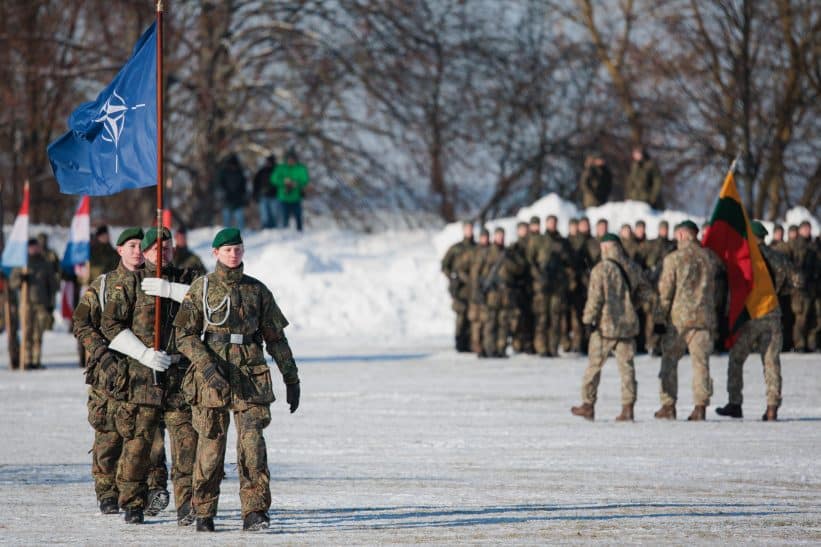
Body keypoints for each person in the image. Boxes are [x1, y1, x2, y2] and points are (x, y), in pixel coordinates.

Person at [174, 228, 300, 532]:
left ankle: (255, 511)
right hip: (212, 376)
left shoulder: (257, 290)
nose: (234, 254)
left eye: (238, 248)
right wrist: (205, 367)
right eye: (227, 249)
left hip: (250, 374)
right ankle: (203, 510)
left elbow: (276, 338)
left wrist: (291, 376)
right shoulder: (201, 289)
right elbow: (184, 335)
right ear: (215, 253)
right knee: (210, 448)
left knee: (252, 445)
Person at [101, 227, 198, 524]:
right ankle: (132, 501)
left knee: (186, 443)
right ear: (144, 252)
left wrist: (172, 291)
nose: (163, 251)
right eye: (156, 248)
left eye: (166, 246)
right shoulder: (130, 282)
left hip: (179, 376)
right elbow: (110, 325)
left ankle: (186, 503)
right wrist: (143, 353)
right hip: (142, 377)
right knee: (139, 444)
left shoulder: (186, 278)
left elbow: (210, 300)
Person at [73, 227, 144, 515]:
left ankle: (138, 490)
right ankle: (106, 491)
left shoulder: (154, 283)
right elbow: (81, 322)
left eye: (141, 245)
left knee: (140, 434)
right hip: (108, 371)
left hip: (142, 371)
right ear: (120, 250)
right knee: (108, 433)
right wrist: (100, 353)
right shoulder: (102, 285)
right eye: (131, 245)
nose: (137, 251)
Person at [715, 221, 803, 421]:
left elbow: (735, 288)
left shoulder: (744, 259)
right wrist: (779, 292)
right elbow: (799, 280)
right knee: (771, 362)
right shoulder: (778, 257)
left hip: (749, 317)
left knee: (736, 359)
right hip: (772, 313)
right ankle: (772, 407)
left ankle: (735, 403)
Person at [571, 234, 654, 421]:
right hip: (627, 326)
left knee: (594, 367)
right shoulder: (632, 266)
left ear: (606, 248)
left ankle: (588, 404)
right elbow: (647, 292)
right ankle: (628, 408)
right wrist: (632, 305)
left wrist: (587, 320)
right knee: (627, 368)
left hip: (604, 328)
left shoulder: (600, 269)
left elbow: (595, 298)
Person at [653, 220, 721, 421]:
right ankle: (700, 407)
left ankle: (668, 405)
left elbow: (665, 292)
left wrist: (659, 318)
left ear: (682, 235)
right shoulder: (710, 258)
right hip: (704, 319)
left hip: (679, 321)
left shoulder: (673, 259)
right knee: (701, 364)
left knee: (669, 361)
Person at [9, 239, 60, 369]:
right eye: (31, 247)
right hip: (26, 304)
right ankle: (25, 360)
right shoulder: (22, 264)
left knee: (38, 334)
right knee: (27, 333)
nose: (34, 250)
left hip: (41, 305)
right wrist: (21, 279)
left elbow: (53, 286)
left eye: (36, 247)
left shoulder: (45, 264)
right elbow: (12, 283)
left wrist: (50, 303)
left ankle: (36, 361)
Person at [441, 221, 476, 352]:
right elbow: (444, 265)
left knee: (473, 316)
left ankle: (472, 343)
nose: (469, 231)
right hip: (460, 289)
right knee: (461, 317)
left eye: (471, 228)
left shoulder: (477, 248)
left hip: (473, 288)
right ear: (463, 230)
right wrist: (452, 276)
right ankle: (460, 343)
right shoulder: (456, 248)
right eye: (467, 229)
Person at [788, 221, 818, 352]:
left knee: (813, 317)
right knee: (801, 318)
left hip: (812, 287)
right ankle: (799, 344)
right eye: (805, 229)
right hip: (799, 289)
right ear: (800, 230)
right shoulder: (795, 245)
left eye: (809, 228)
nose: (807, 231)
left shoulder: (813, 246)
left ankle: (811, 344)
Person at [508, 222, 534, 354]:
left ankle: (529, 343)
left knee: (530, 316)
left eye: (525, 229)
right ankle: (517, 343)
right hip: (519, 286)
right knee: (518, 316)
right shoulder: (514, 247)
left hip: (532, 285)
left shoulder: (533, 245)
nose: (524, 232)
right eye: (521, 230)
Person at [271, 148, 309, 231]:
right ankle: (285, 233)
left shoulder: (300, 168)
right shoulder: (281, 168)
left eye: (293, 159)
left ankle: (300, 232)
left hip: (296, 197)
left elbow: (305, 180)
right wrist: (284, 181)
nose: (291, 161)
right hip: (283, 197)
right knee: (284, 217)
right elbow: (273, 179)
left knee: (298, 216)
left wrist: (297, 183)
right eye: (289, 159)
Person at [468, 229, 491, 354]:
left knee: (485, 319)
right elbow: (464, 268)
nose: (485, 240)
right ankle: (476, 345)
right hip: (474, 291)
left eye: (486, 237)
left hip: (486, 291)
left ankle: (485, 345)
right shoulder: (474, 252)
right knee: (475, 321)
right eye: (482, 237)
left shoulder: (491, 252)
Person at [216, 153, 248, 231]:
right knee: (227, 221)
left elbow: (243, 185)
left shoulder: (240, 172)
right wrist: (223, 194)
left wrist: (244, 195)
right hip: (227, 199)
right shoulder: (223, 172)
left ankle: (241, 234)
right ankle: (227, 236)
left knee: (240, 219)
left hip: (238, 199)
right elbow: (220, 184)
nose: (233, 166)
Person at [252, 154, 279, 229]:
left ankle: (275, 229)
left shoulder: (277, 170)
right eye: (267, 161)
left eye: (270, 162)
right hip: (263, 196)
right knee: (265, 215)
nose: (268, 163)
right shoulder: (261, 171)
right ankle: (265, 229)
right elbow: (256, 184)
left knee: (274, 214)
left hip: (274, 196)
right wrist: (255, 194)